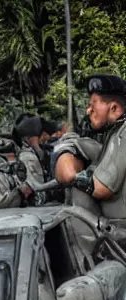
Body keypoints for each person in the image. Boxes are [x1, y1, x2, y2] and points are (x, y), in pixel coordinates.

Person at [54, 75, 126, 218]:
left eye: (93, 105)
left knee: (77, 194)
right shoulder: (114, 132)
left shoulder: (122, 133)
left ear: (113, 108)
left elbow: (101, 187)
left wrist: (73, 176)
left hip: (120, 231)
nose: (88, 111)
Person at [13, 114, 45, 185]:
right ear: (27, 138)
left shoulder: (30, 154)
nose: (40, 140)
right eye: (35, 138)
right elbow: (32, 186)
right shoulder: (27, 157)